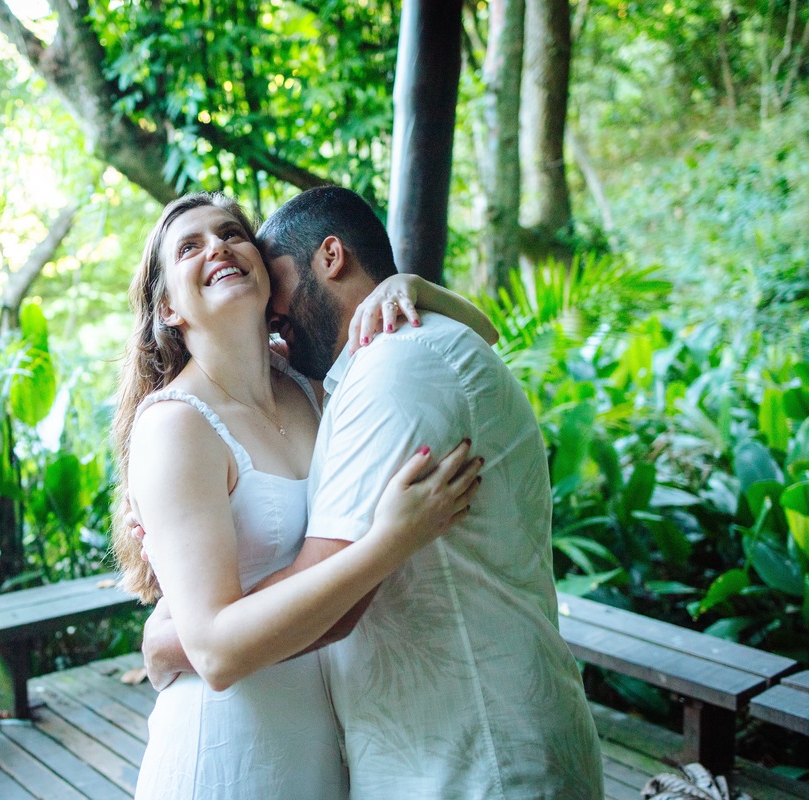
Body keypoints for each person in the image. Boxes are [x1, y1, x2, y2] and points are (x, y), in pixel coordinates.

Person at [143, 186, 604, 799]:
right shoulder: (178, 423)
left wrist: (411, 286)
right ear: (168, 307)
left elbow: (473, 340)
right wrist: (389, 542)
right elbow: (219, 650)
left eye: (231, 234)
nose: (219, 249)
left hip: (328, 736)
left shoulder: (317, 388)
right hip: (234, 738)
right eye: (189, 247)